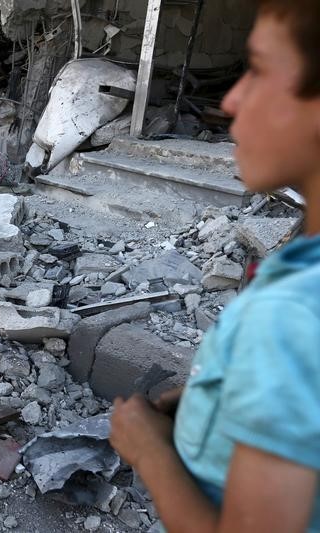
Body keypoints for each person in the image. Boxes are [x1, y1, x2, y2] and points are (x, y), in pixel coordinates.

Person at [109, 1, 320, 531]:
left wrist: (150, 451)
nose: (231, 99)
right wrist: (220, 394)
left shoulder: (291, 315)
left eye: (259, 70)